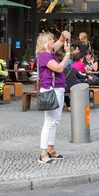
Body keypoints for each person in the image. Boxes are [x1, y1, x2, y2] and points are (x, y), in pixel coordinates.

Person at [37, 30, 70, 164]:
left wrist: (63, 36)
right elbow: (59, 68)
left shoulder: (48, 53)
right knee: (50, 121)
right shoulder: (44, 55)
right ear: (45, 43)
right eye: (50, 40)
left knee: (55, 121)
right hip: (51, 90)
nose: (53, 42)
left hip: (58, 89)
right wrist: (67, 54)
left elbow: (59, 43)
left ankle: (51, 149)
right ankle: (43, 153)